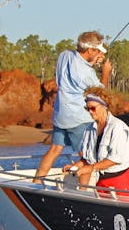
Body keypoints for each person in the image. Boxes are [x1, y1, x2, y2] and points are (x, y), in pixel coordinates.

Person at [34, 31, 112, 182]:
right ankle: (83, 190)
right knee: (87, 156)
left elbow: (76, 69)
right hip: (78, 119)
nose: (99, 55)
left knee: (55, 149)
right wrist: (105, 72)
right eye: (97, 51)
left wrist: (92, 62)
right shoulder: (85, 73)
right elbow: (101, 93)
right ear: (90, 50)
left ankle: (37, 182)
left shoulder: (64, 55)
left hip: (60, 115)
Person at [62, 86, 129, 198]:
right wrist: (74, 167)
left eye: (93, 108)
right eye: (87, 109)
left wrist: (90, 168)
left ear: (104, 106)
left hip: (120, 182)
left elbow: (115, 159)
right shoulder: (89, 128)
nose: (90, 112)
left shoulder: (118, 127)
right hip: (101, 182)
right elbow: (87, 159)